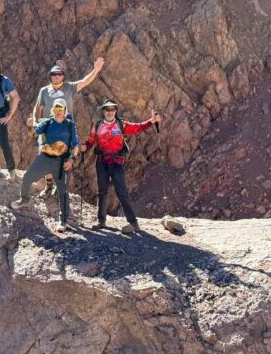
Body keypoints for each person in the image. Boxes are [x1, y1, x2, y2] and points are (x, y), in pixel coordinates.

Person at [80, 99, 162, 234]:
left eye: (112, 109)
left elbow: (138, 127)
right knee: (102, 191)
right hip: (102, 162)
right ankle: (101, 221)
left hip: (117, 161)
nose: (110, 112)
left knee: (121, 191)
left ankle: (133, 222)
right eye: (107, 109)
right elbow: (90, 142)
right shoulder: (97, 125)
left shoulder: (121, 124)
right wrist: (85, 147)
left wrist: (151, 121)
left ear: (115, 111)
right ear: (103, 111)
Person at [28, 57, 105, 196]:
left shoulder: (69, 87)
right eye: (54, 74)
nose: (56, 76)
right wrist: (35, 121)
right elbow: (37, 108)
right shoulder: (44, 91)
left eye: (59, 74)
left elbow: (84, 81)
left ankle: (59, 187)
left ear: (63, 76)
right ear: (50, 77)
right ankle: (49, 186)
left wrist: (95, 70)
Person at [12, 99, 79, 233]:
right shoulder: (47, 122)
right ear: (53, 110)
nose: (58, 112)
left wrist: (71, 159)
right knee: (27, 177)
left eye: (61, 109)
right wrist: (29, 126)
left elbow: (75, 144)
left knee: (63, 191)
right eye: (56, 109)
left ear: (65, 111)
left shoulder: (70, 125)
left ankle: (63, 221)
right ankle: (24, 199)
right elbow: (33, 133)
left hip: (61, 161)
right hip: (45, 158)